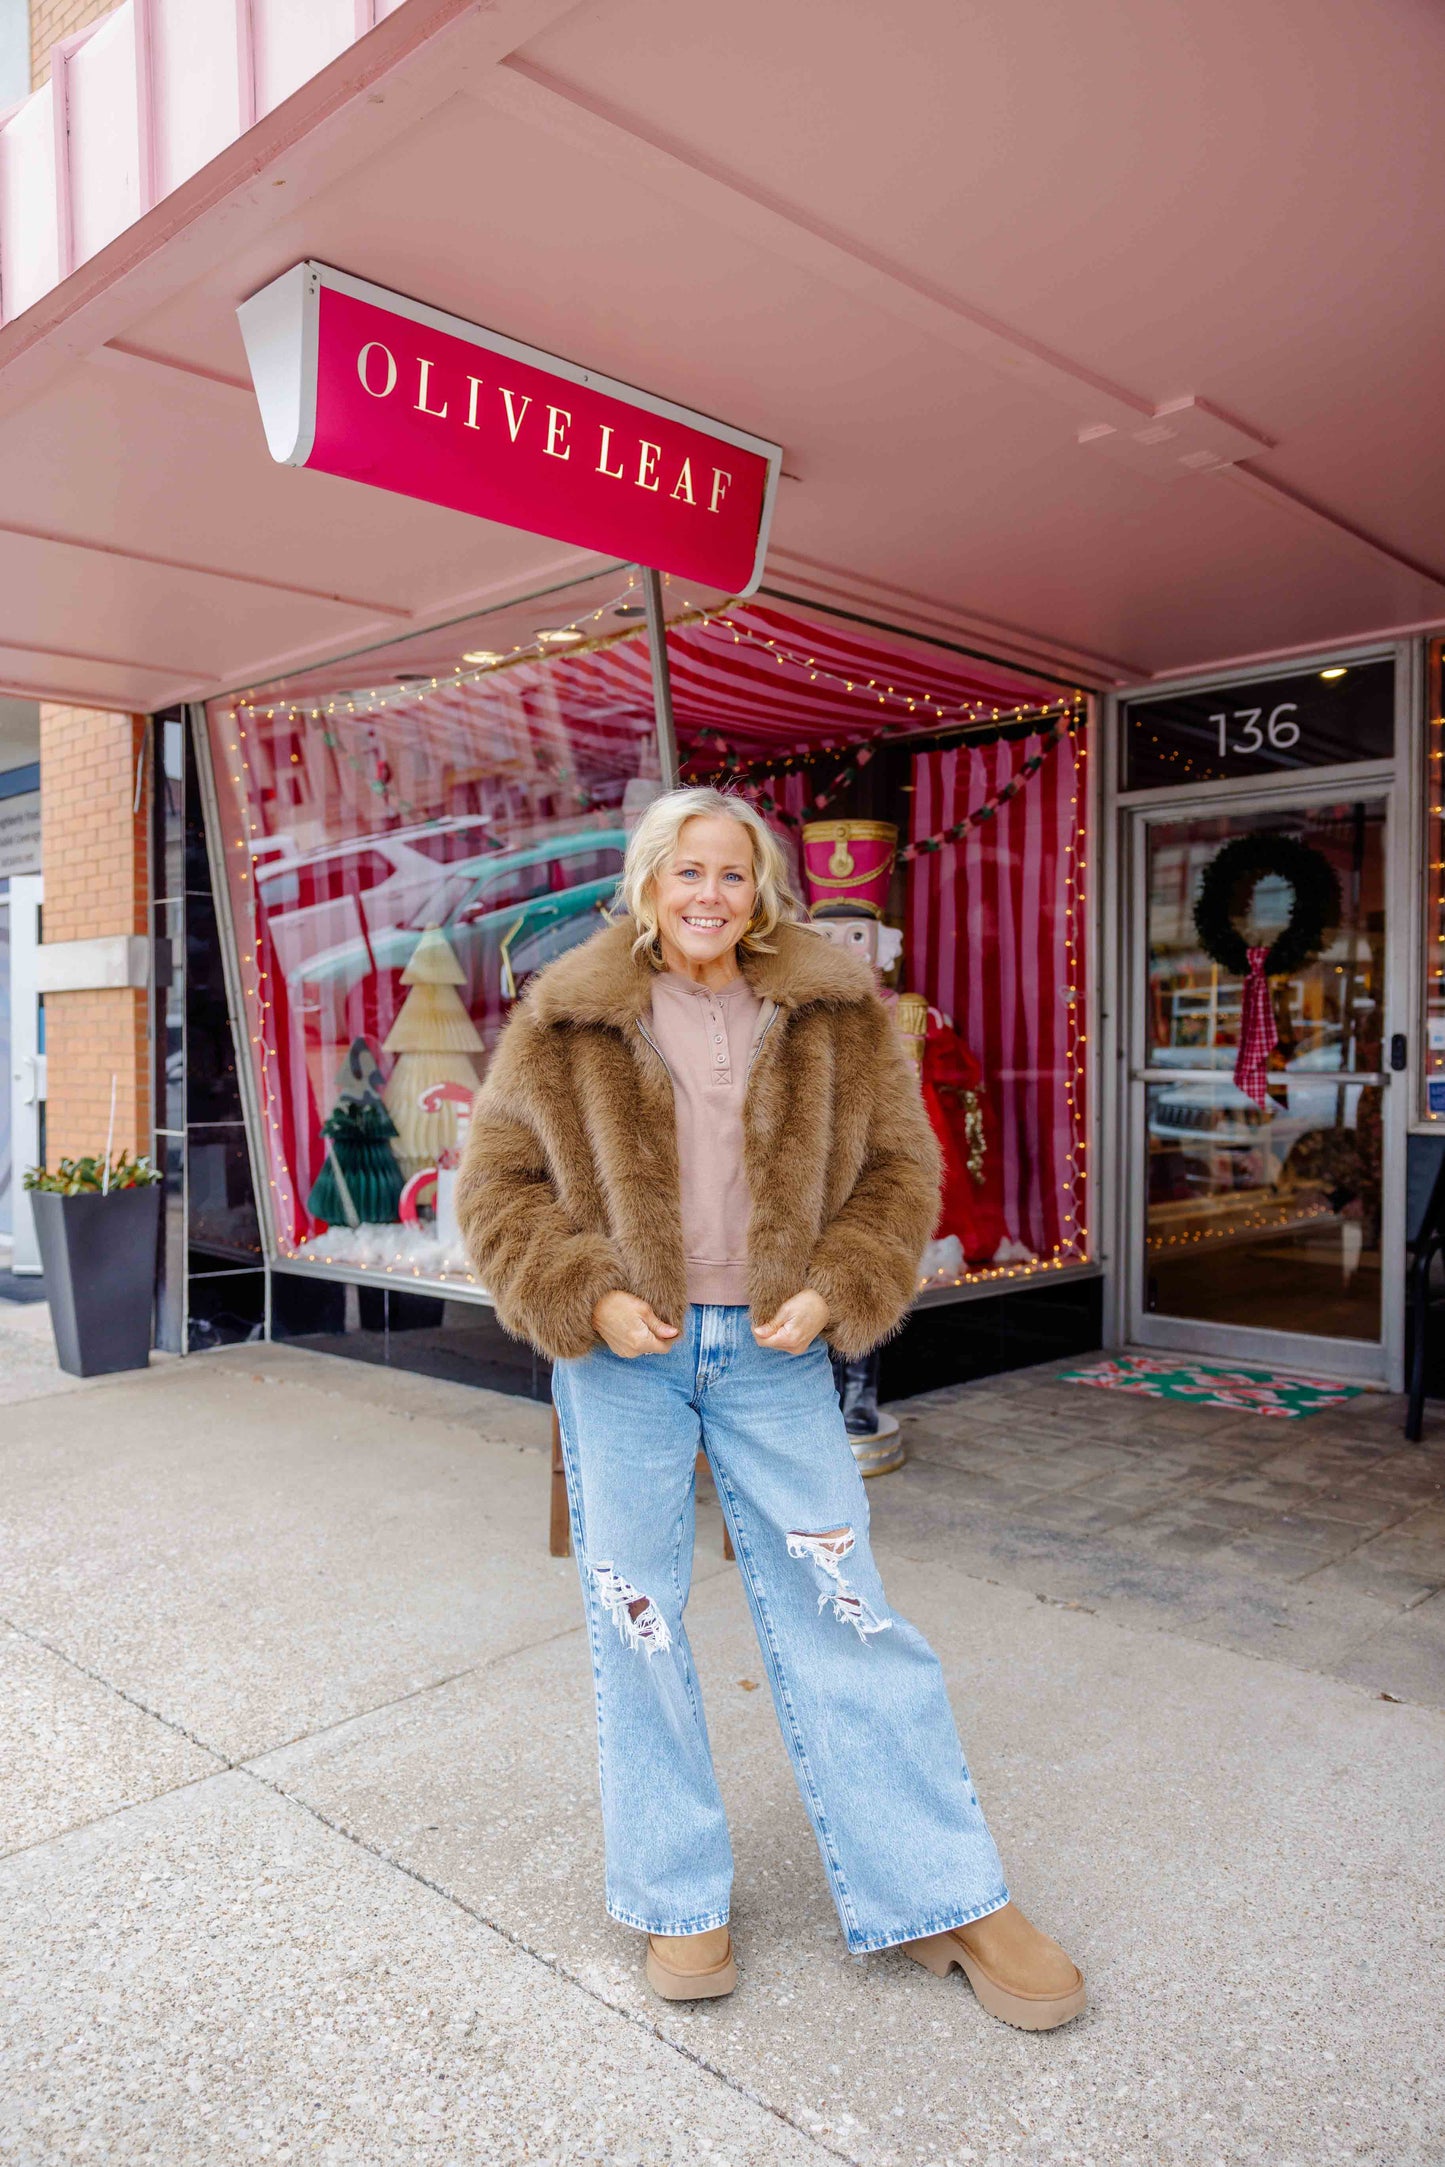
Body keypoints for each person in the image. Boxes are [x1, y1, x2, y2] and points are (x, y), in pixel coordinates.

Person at [456, 785, 1085, 2029]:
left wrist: (836, 1285)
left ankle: (943, 1892)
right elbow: (497, 1187)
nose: (709, 893)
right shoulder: (567, 1015)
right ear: (647, 883)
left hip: (772, 1351)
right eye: (686, 870)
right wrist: (585, 1294)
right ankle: (674, 1894)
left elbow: (900, 1172)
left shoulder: (834, 1011)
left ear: (761, 893)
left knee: (845, 1608)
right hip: (622, 1358)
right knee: (636, 1619)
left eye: (731, 873)